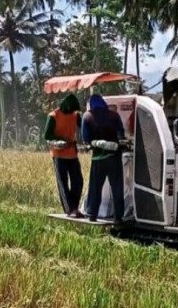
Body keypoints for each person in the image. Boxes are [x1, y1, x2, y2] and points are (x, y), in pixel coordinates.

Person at [82, 94, 125, 224]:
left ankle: (92, 214)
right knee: (117, 187)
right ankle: (118, 217)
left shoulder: (87, 116)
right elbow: (121, 133)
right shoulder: (114, 115)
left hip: (98, 158)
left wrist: (95, 143)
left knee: (95, 187)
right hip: (114, 156)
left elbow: (85, 138)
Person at [44, 94, 83, 217]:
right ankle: (69, 210)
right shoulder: (53, 116)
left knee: (78, 181)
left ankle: (75, 207)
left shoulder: (75, 115)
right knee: (63, 183)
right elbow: (47, 135)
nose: (73, 112)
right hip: (59, 154)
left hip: (72, 153)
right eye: (71, 109)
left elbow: (84, 126)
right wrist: (60, 140)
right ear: (66, 106)